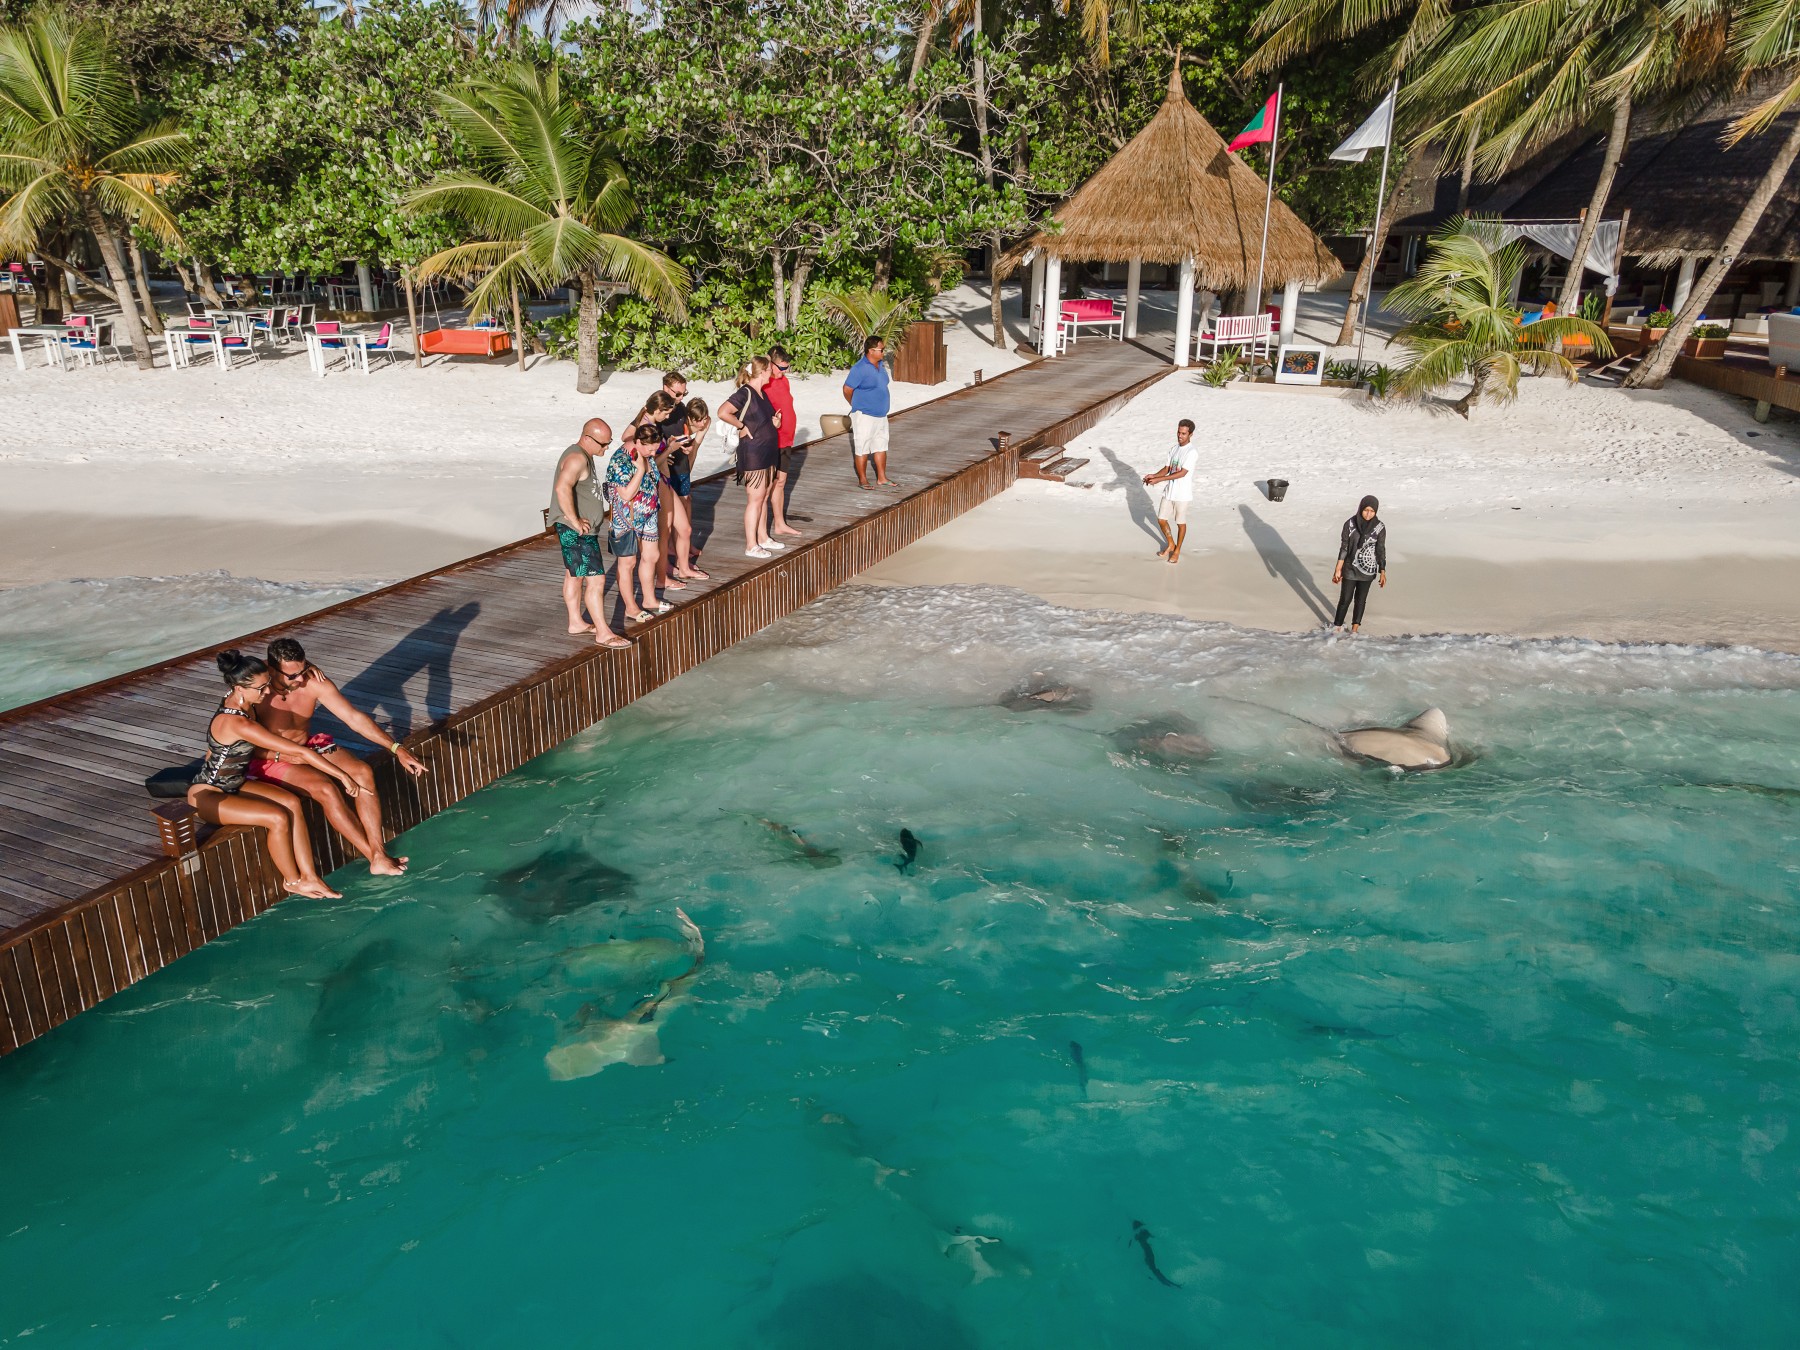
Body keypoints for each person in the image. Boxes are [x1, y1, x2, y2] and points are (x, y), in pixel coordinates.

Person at [250, 637, 429, 877]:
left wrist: (396, 748)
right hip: (271, 757)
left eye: (303, 670)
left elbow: (354, 718)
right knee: (326, 789)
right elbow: (242, 740)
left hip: (307, 747)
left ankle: (379, 854)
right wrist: (284, 755)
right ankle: (374, 857)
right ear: (271, 670)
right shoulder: (256, 691)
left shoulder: (313, 681)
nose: (300, 679)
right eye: (292, 676)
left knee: (362, 772)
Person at [187, 650, 351, 900]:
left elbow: (266, 665)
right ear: (240, 688)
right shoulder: (239, 723)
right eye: (261, 689)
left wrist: (309, 666)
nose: (267, 692)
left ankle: (310, 877)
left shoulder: (239, 698)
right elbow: (300, 752)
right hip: (208, 794)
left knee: (292, 802)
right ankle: (293, 881)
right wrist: (342, 776)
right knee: (276, 817)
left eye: (267, 685)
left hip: (236, 782)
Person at [551, 418, 630, 650]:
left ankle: (576, 622)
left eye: (609, 442)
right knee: (597, 580)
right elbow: (561, 488)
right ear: (587, 438)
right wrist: (575, 520)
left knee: (574, 575)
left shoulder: (583, 455)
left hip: (578, 530)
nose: (606, 448)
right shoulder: (577, 458)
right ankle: (603, 633)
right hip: (576, 532)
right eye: (603, 444)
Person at [721, 354, 783, 558]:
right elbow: (723, 412)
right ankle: (751, 545)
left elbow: (761, 420)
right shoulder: (745, 392)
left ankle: (763, 537)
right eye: (770, 370)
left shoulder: (761, 393)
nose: (772, 373)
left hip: (767, 451)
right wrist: (741, 426)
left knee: (764, 496)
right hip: (753, 452)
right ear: (762, 372)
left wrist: (774, 423)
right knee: (755, 499)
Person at [608, 423, 671, 623]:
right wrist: (641, 469)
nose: (653, 453)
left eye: (655, 449)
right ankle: (630, 607)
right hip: (627, 517)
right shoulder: (620, 460)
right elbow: (626, 494)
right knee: (628, 563)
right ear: (637, 442)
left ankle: (649, 599)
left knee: (652, 555)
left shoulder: (646, 455)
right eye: (650, 449)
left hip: (648, 514)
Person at [1141, 418, 1199, 564]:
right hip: (1169, 491)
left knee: (1180, 523)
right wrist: (1154, 475)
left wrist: (1160, 480)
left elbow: (1182, 473)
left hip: (1182, 494)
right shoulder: (1174, 449)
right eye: (1178, 432)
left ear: (1190, 434)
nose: (1180, 436)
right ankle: (1171, 543)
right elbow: (1167, 468)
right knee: (1161, 520)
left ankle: (1177, 550)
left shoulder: (1191, 452)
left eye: (1183, 433)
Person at [842, 334, 895, 490]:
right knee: (862, 447)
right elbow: (847, 389)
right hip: (864, 415)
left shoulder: (881, 366)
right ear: (871, 351)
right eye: (881, 350)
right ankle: (863, 480)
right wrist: (856, 404)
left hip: (881, 414)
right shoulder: (859, 368)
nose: (883, 352)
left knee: (881, 446)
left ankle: (882, 478)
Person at [667, 397, 711, 581]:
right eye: (699, 420)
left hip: (683, 470)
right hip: (672, 471)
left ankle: (684, 548)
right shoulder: (681, 429)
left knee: (687, 503)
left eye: (704, 419)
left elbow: (692, 456)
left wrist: (698, 438)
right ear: (690, 419)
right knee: (677, 516)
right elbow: (685, 459)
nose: (703, 423)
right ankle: (676, 552)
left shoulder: (702, 425)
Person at [1331, 495, 1388, 634]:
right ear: (1361, 508)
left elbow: (1380, 549)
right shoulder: (1350, 524)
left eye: (1372, 511)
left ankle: (1355, 631)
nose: (1368, 514)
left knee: (1360, 600)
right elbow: (1344, 547)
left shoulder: (1380, 527)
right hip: (1350, 568)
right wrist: (1338, 569)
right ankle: (1337, 627)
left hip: (1368, 570)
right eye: (1366, 510)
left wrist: (1382, 571)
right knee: (1345, 599)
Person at [766, 345, 804, 537]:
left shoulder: (784, 381)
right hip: (772, 441)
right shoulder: (763, 383)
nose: (784, 371)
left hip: (786, 440)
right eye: (781, 367)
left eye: (786, 367)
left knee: (781, 482)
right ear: (770, 363)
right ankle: (761, 532)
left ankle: (780, 523)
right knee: (766, 487)